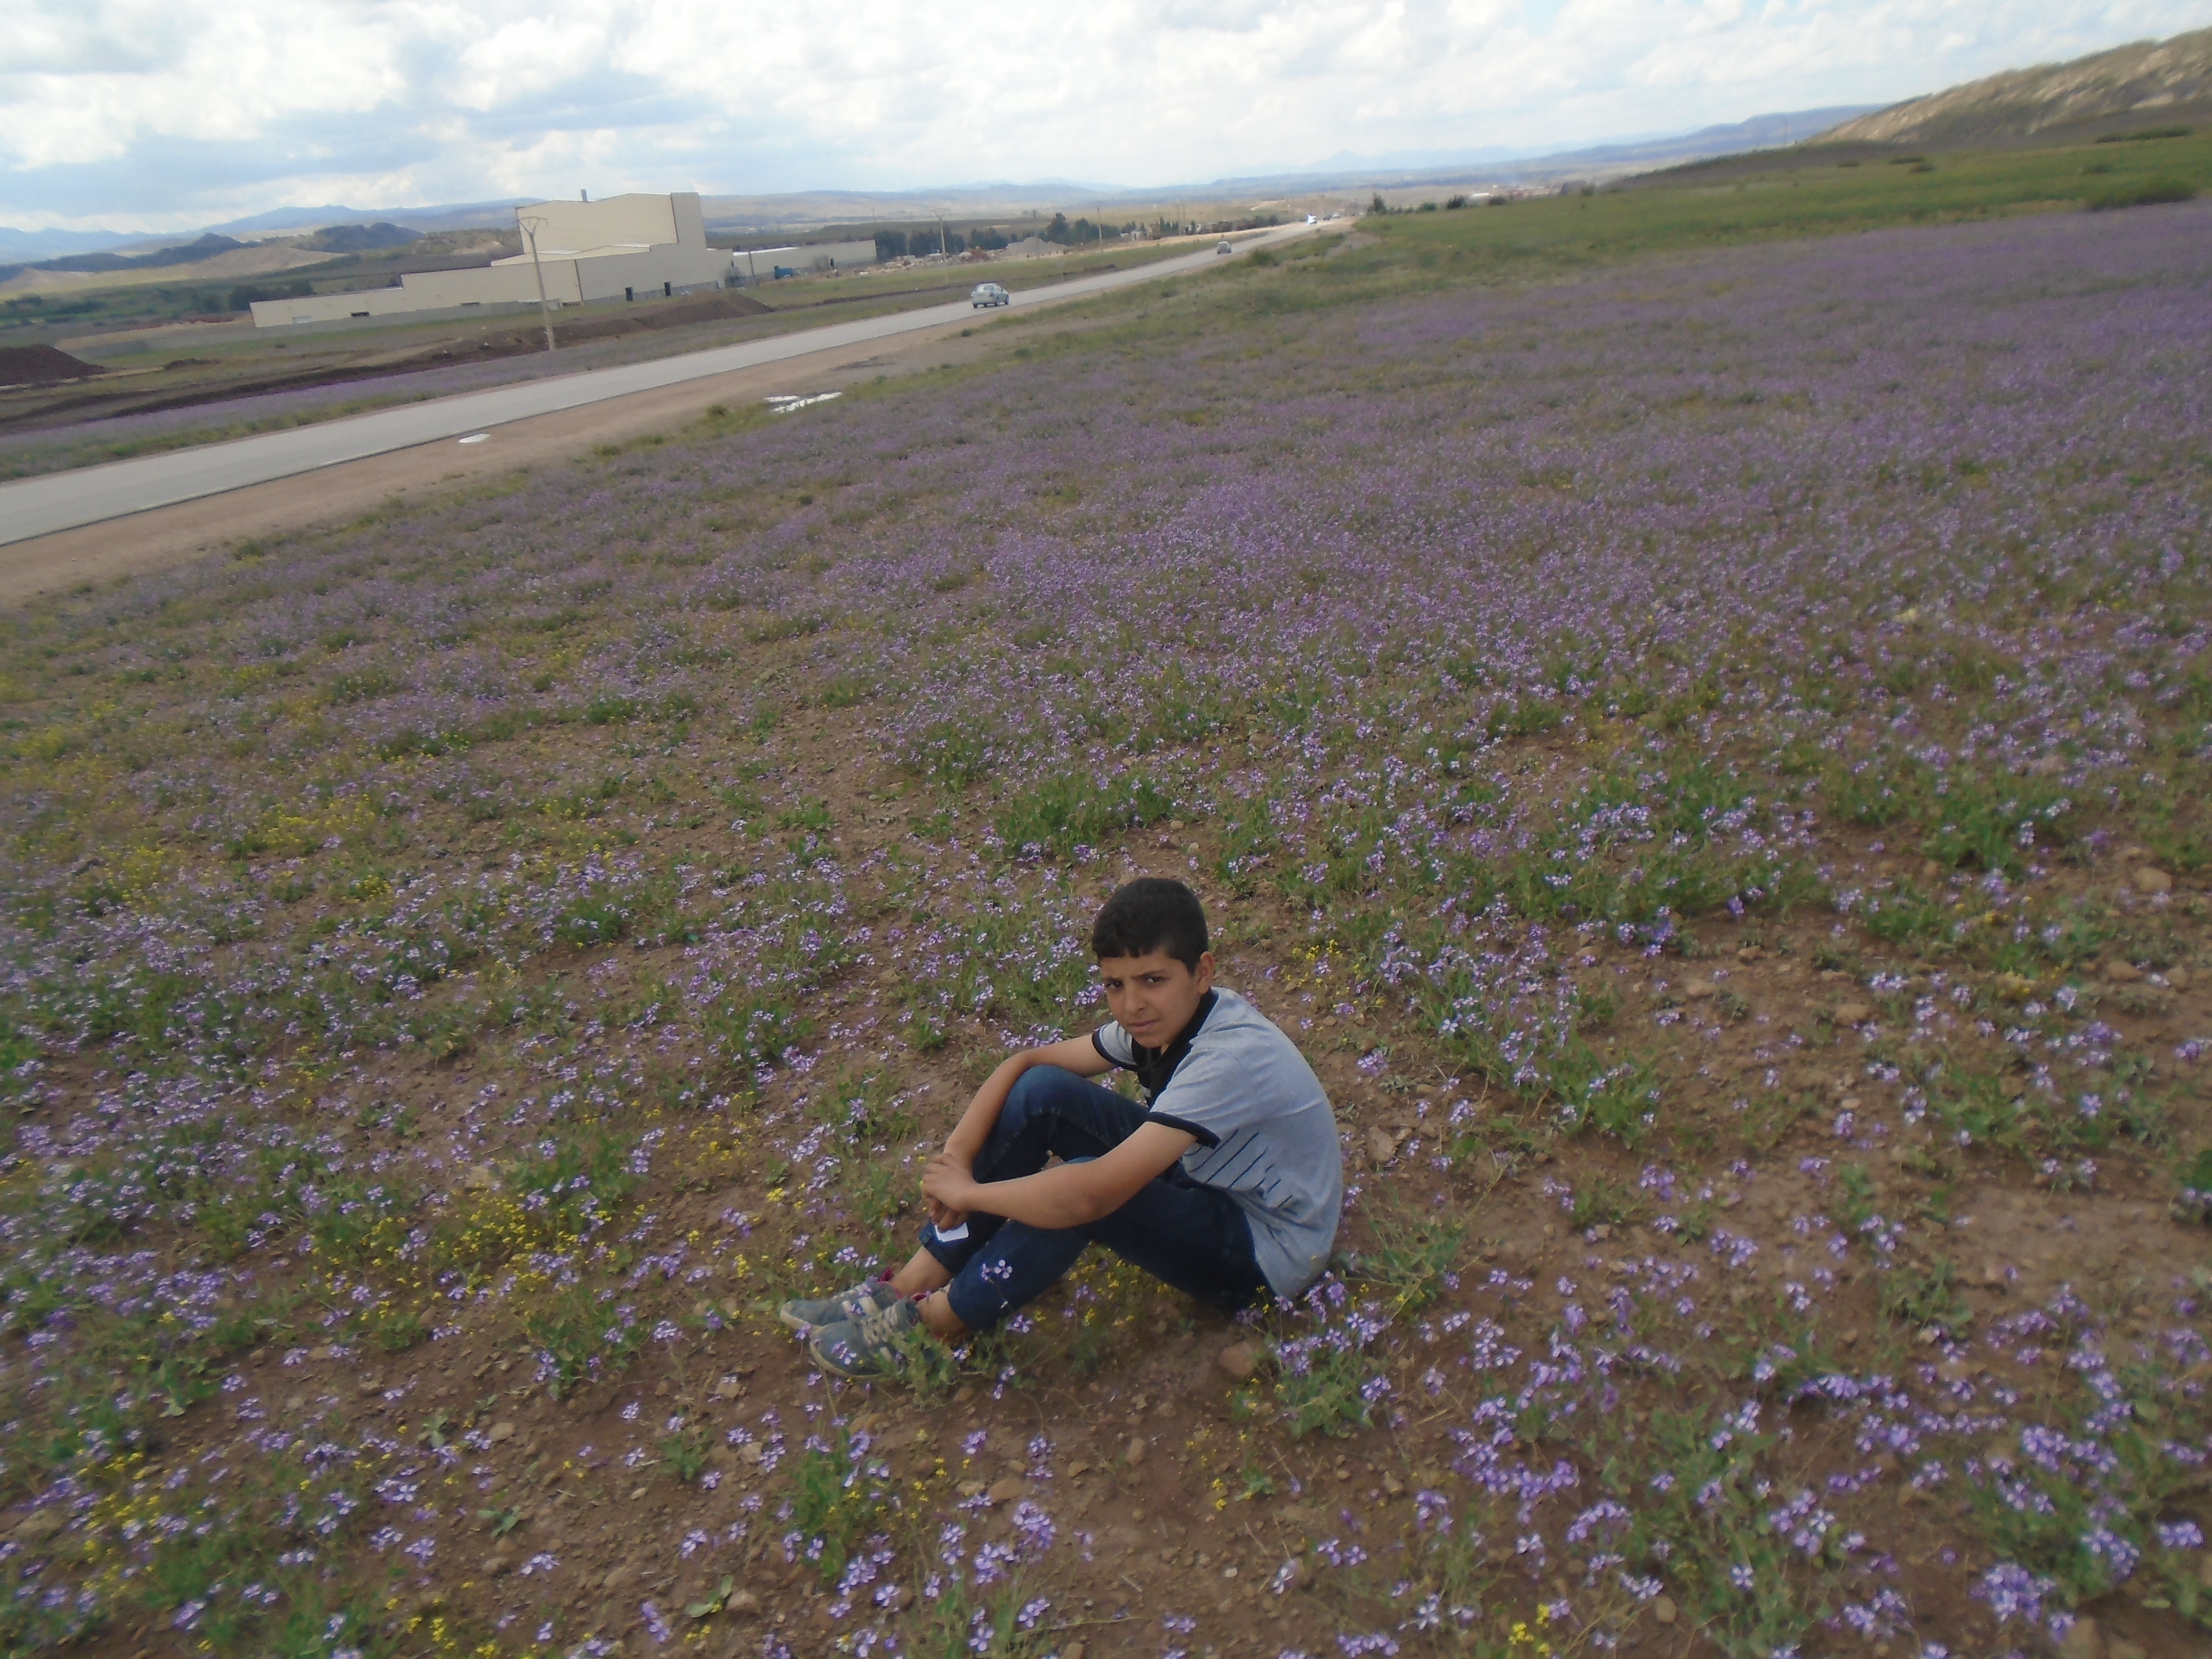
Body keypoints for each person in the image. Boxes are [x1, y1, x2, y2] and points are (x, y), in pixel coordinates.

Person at [781, 877, 1341, 1379]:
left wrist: (972, 1192)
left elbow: (1089, 1194)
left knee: (1080, 1192)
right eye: (1115, 985)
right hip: (1210, 1185)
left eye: (1152, 980)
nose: (1132, 1005)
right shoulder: (1163, 1024)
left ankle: (934, 1327)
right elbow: (1025, 1065)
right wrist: (956, 1156)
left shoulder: (1227, 1059)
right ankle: (905, 1287)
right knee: (1044, 1095)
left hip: (1267, 1251)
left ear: (1204, 973)